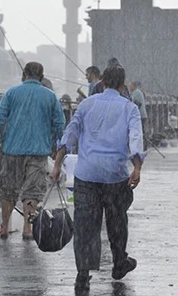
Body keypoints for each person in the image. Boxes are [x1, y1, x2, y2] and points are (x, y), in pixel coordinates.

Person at [50, 64, 145, 292]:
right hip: (115, 175)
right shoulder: (129, 108)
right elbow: (135, 139)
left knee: (86, 226)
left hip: (87, 174)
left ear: (101, 83)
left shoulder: (86, 104)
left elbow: (69, 135)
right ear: (122, 85)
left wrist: (56, 165)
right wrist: (137, 167)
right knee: (117, 220)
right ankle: (119, 261)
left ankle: (83, 273)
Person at [0, 62, 66, 240]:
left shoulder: (11, 93)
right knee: (32, 192)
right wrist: (56, 145)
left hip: (12, 149)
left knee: (8, 190)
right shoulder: (50, 96)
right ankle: (27, 228)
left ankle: (5, 227)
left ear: (24, 75)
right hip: (38, 151)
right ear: (41, 76)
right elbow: (59, 125)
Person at [129, 80, 149, 150]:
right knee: (142, 131)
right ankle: (144, 146)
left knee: (141, 132)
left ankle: (143, 147)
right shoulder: (138, 92)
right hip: (142, 115)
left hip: (140, 115)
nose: (129, 87)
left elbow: (133, 101)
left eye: (130, 85)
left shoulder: (136, 92)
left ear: (134, 86)